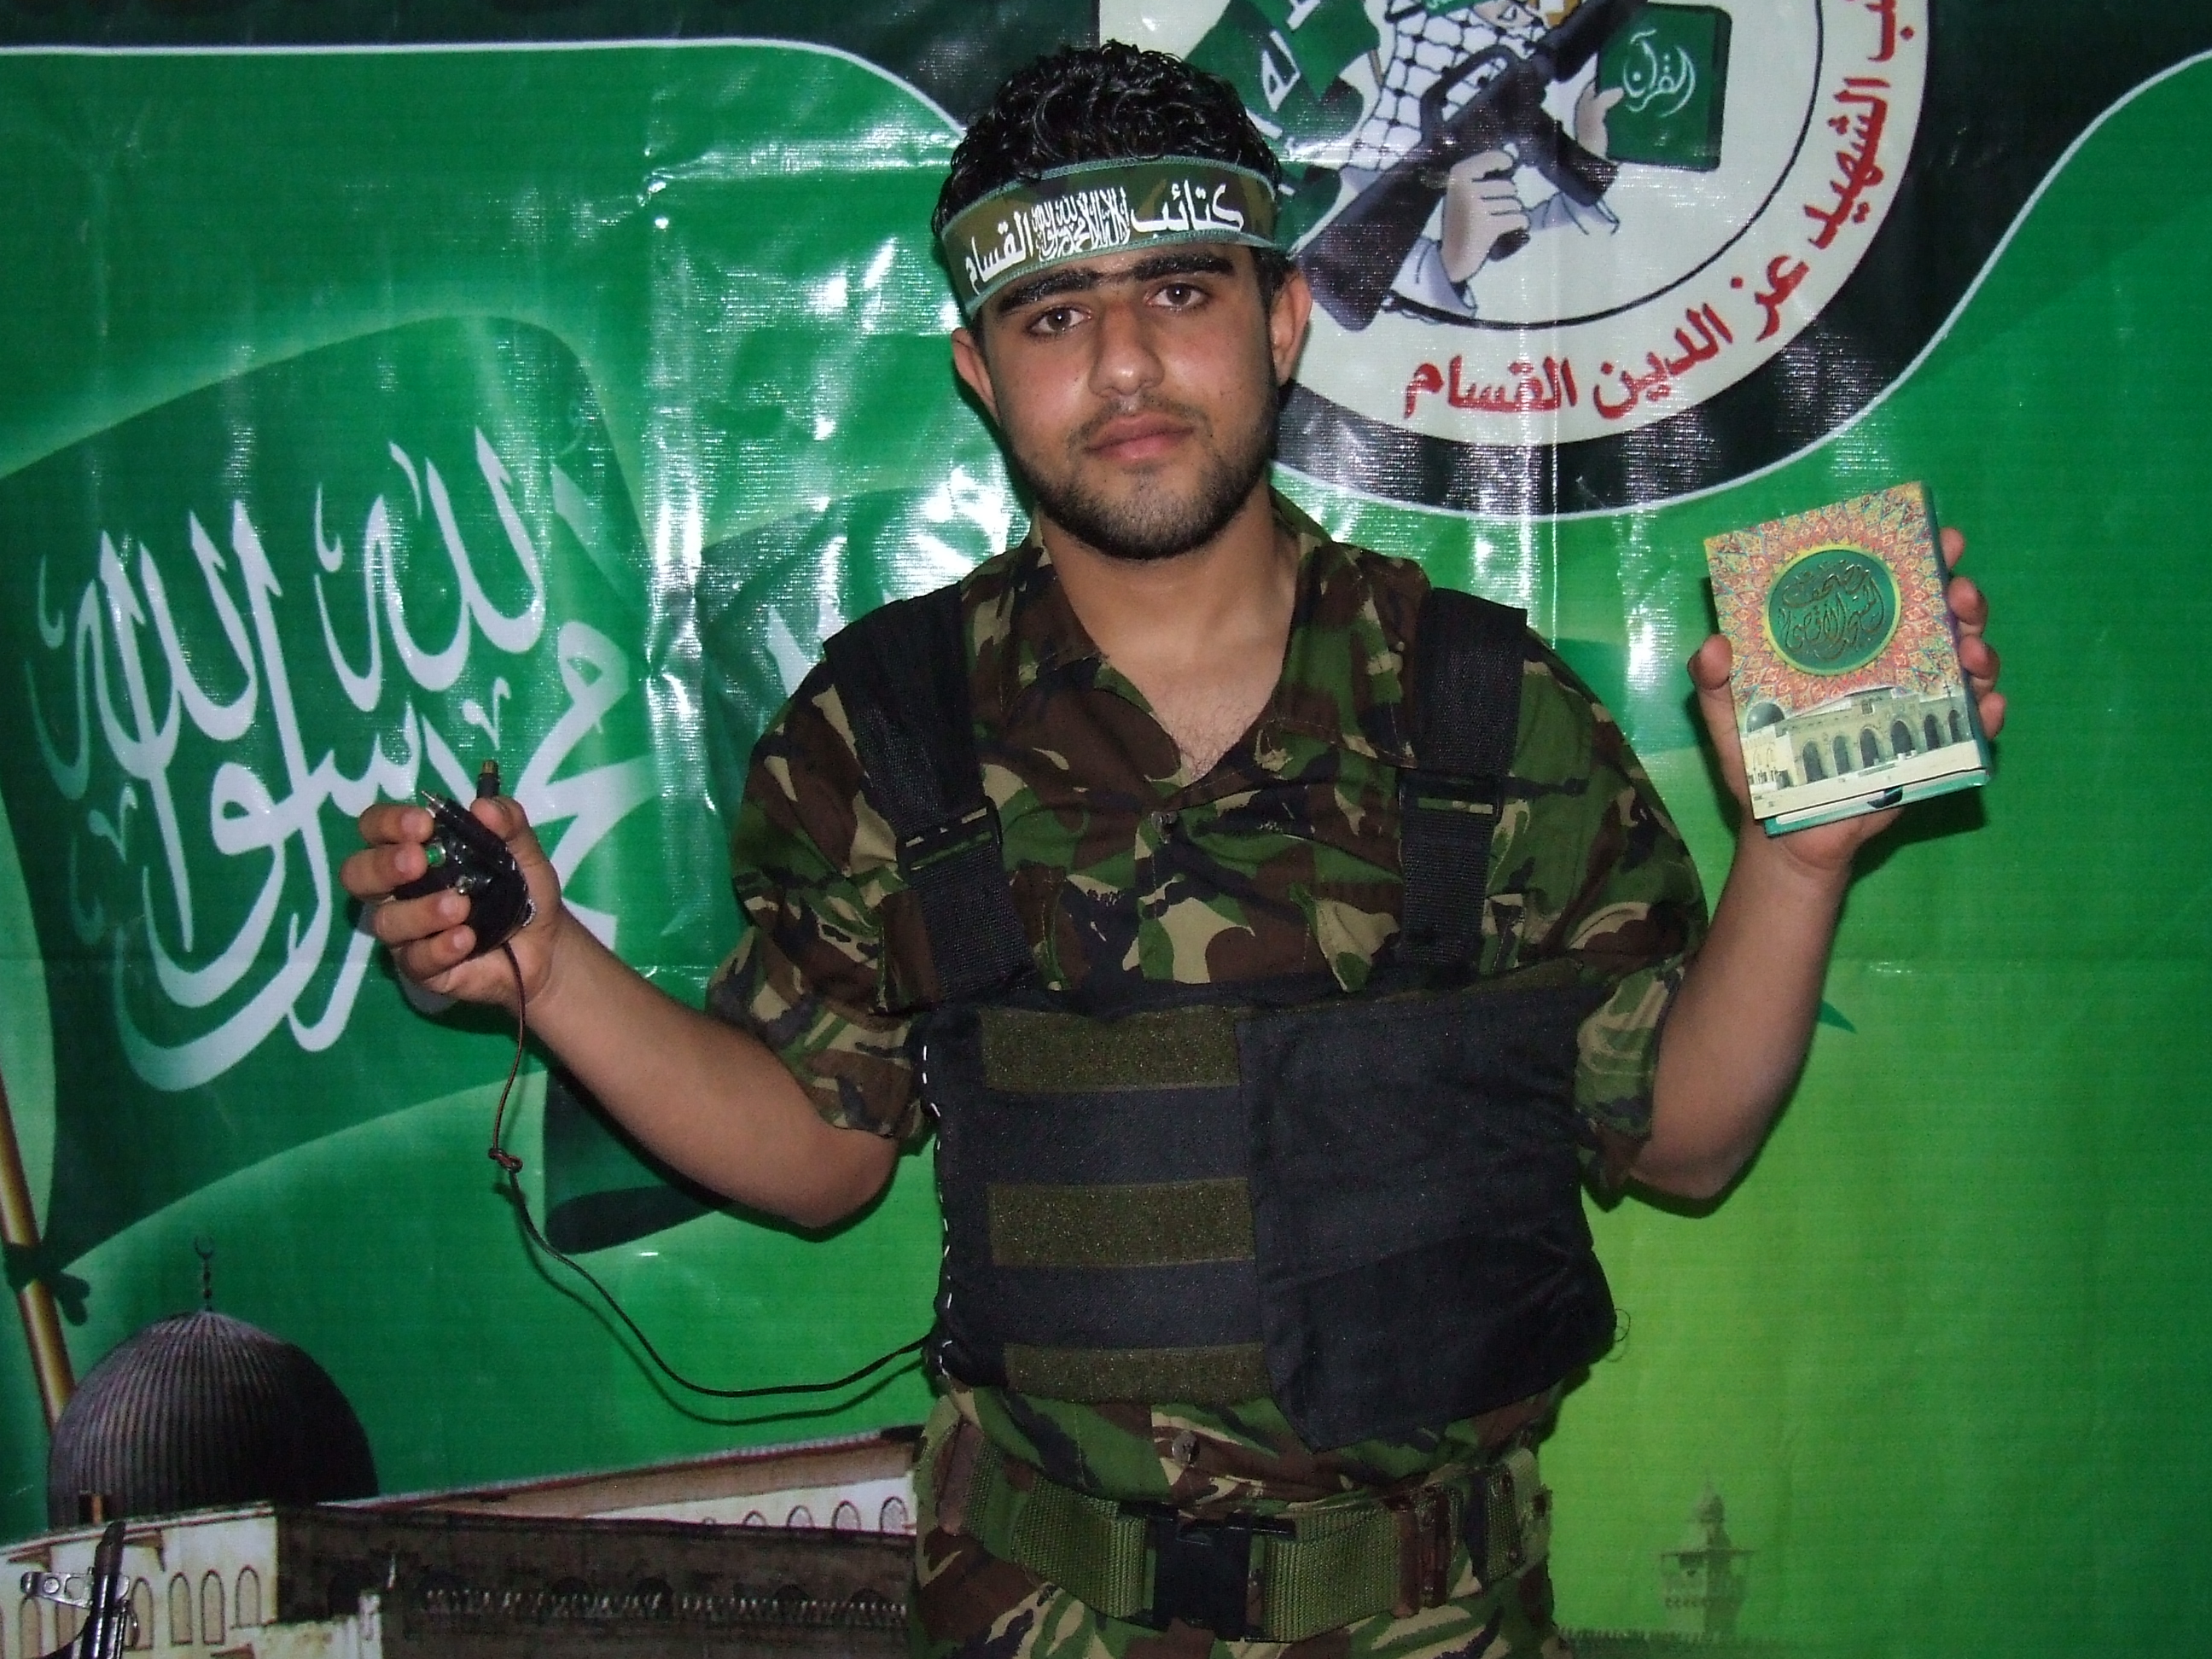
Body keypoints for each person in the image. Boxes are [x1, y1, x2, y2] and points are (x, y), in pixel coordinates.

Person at [341, 41, 2004, 1659]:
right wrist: (551, 970)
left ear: (1282, 318)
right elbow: (823, 1150)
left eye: (1181, 291)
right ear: (982, 370)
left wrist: (1798, 862)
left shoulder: (1487, 711)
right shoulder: (888, 728)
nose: (1127, 366)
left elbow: (1683, 1142)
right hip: (1039, 1611)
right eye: (1055, 316)